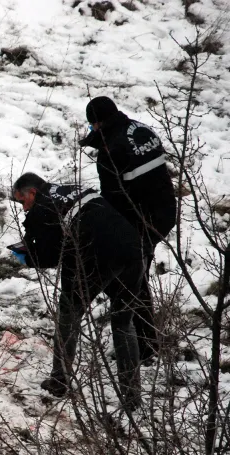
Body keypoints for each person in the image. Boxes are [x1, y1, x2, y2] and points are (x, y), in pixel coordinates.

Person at [11, 173, 144, 409]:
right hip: (133, 248)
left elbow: (50, 256)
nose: (23, 208)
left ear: (32, 193)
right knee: (124, 322)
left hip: (93, 255)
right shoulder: (72, 189)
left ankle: (59, 382)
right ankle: (132, 397)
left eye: (22, 201)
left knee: (68, 316)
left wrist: (27, 257)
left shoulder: (42, 207)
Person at [79, 96, 176, 364]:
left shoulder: (109, 152)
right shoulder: (140, 129)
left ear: (96, 124)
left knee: (132, 279)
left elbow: (115, 201)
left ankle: (144, 346)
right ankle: (145, 342)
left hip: (140, 220)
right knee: (138, 274)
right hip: (165, 212)